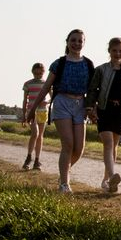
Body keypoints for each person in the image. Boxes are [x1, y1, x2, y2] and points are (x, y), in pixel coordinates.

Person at [26, 30, 93, 194]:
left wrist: (93, 108)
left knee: (79, 149)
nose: (76, 43)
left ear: (84, 43)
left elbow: (93, 89)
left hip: (81, 104)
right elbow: (46, 86)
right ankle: (64, 183)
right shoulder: (59, 63)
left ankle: (64, 173)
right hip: (62, 102)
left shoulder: (89, 64)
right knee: (68, 144)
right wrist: (32, 109)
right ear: (67, 42)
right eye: (73, 40)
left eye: (80, 41)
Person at [87, 38, 121, 196]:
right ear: (109, 51)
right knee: (108, 143)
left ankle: (106, 180)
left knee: (114, 146)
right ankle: (112, 175)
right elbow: (93, 90)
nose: (117, 53)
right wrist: (90, 108)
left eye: (120, 51)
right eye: (114, 50)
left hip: (119, 112)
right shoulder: (101, 70)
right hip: (104, 109)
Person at [21, 63, 49, 171]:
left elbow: (53, 97)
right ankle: (29, 157)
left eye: (40, 73)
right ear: (32, 72)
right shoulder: (28, 84)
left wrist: (47, 102)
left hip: (43, 112)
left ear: (43, 72)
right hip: (31, 112)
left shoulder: (47, 83)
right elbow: (25, 100)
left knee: (40, 136)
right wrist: (24, 115)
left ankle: (37, 160)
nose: (38, 75)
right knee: (35, 133)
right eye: (36, 73)